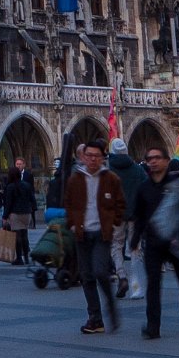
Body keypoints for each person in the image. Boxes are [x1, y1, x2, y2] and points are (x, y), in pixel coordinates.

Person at [130, 143, 179, 339]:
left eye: (157, 157)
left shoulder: (177, 184)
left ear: (166, 161)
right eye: (149, 159)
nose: (153, 162)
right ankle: (153, 326)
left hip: (176, 242)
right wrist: (134, 240)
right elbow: (140, 216)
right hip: (153, 243)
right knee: (153, 284)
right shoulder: (143, 188)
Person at [64, 140, 126, 335]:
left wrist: (113, 223)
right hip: (81, 233)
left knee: (100, 272)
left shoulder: (111, 179)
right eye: (88, 155)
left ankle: (111, 305)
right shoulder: (75, 179)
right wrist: (72, 224)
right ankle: (95, 318)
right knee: (86, 276)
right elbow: (69, 204)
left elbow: (120, 204)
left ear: (102, 158)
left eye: (96, 156)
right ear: (83, 157)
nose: (92, 159)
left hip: (101, 233)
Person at [0, 159, 36, 265]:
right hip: (27, 213)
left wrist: (5, 216)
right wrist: (32, 209)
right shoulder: (27, 185)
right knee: (24, 234)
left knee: (17, 235)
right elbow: (32, 199)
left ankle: (19, 257)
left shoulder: (10, 187)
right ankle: (26, 257)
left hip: (15, 213)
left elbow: (8, 203)